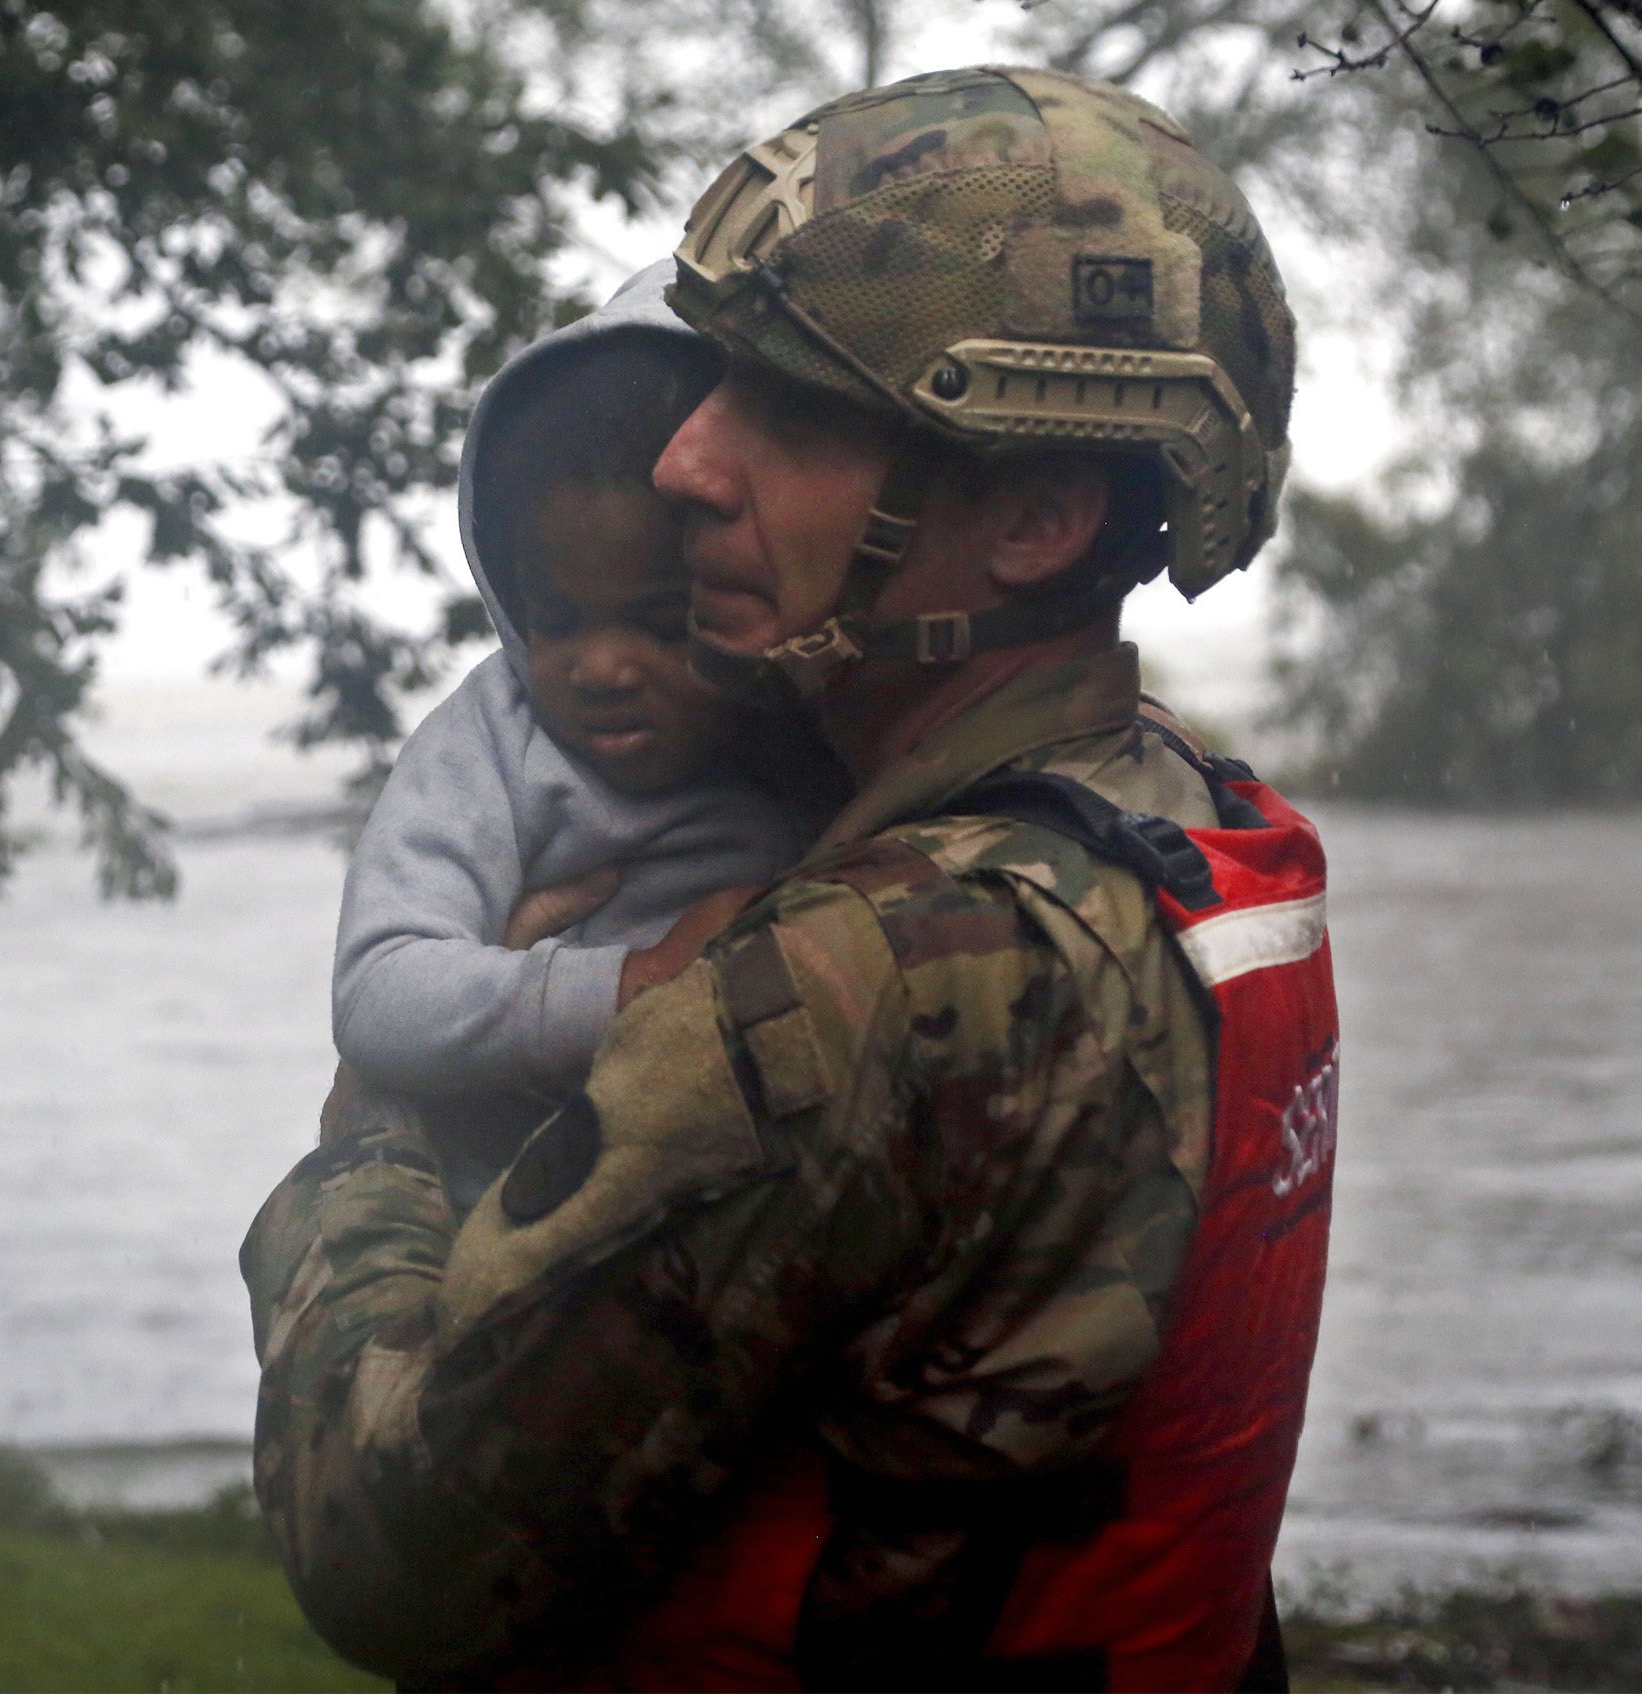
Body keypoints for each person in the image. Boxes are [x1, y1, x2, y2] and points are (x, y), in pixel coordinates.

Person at [244, 65, 1335, 1693]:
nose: (683, 462)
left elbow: (392, 1557)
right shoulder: (1193, 825)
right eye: (712, 387)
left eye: (795, 411)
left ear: (1034, 514)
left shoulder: (844, 986)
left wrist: (377, 1134)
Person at [333, 262, 831, 1204]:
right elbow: (378, 994)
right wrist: (634, 987)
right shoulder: (495, 740)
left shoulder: (810, 732)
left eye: (659, 623)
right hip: (519, 1230)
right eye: (557, 622)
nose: (600, 671)